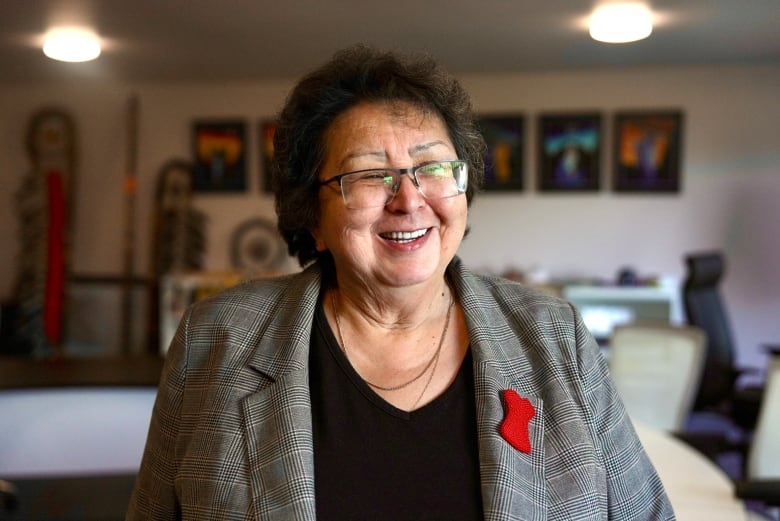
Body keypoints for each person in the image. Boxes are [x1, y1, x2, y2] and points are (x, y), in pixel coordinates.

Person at [127, 45, 674, 520]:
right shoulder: (216, 341)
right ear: (312, 217)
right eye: (368, 174)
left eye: (433, 168)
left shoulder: (556, 338)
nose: (409, 199)